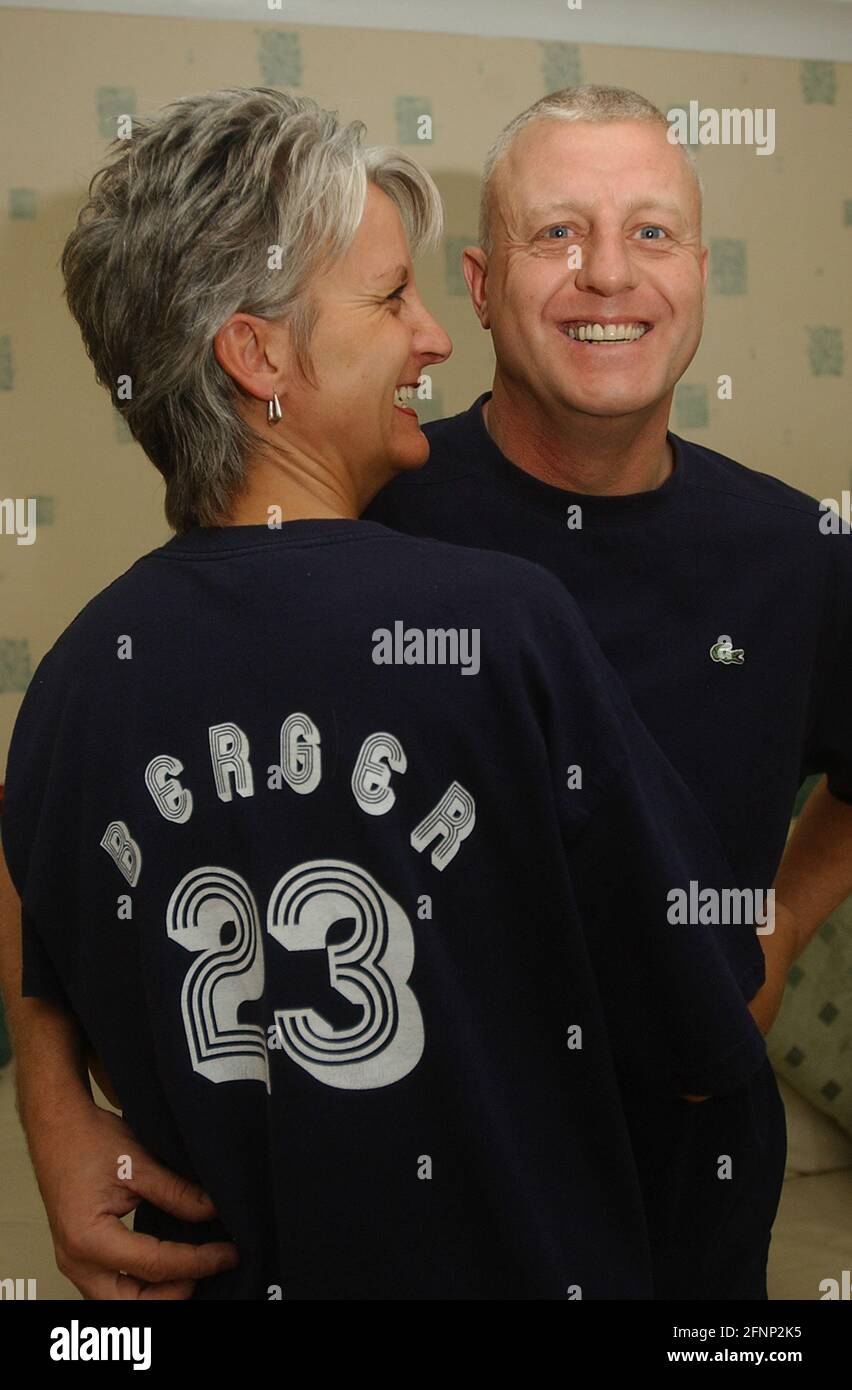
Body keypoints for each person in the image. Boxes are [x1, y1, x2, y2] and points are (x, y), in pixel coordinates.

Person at [0, 87, 767, 1300]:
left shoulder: (78, 679)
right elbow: (703, 1021)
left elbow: (38, 894)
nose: (434, 338)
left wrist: (48, 1098)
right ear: (257, 356)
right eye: (390, 298)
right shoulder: (504, 627)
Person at [365, 84, 852, 1298]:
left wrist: (780, 925)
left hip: (695, 1200)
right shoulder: (365, 521)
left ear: (697, 270)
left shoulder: (803, 553)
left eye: (650, 232)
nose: (606, 274)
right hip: (427, 1189)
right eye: (556, 232)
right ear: (478, 286)